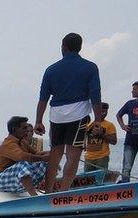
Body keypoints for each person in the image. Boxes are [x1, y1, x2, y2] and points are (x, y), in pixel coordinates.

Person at [35, 32, 101, 193]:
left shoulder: (51, 69)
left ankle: (48, 191)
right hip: (78, 114)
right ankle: (64, 192)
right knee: (73, 156)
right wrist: (98, 119)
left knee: (55, 154)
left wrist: (39, 120)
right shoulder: (90, 67)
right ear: (80, 47)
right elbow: (95, 95)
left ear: (64, 47)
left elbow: (43, 98)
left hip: (56, 115)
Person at [0, 116, 50, 195]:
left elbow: (37, 153)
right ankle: (34, 196)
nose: (27, 131)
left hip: (12, 179)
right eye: (24, 128)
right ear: (14, 129)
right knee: (23, 164)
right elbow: (22, 157)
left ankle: (49, 192)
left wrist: (52, 154)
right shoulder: (8, 144)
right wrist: (43, 158)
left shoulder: (23, 142)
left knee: (47, 162)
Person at [84, 102, 117, 171]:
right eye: (102, 111)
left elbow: (114, 141)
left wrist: (101, 134)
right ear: (96, 111)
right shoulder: (89, 125)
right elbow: (83, 140)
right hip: (88, 157)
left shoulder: (110, 125)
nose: (104, 113)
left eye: (106, 111)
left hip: (102, 157)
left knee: (100, 179)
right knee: (88, 180)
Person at [116, 81, 138, 182]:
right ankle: (125, 187)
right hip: (130, 142)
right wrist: (123, 126)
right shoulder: (130, 104)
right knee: (126, 168)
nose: (132, 91)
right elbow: (119, 115)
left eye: (134, 89)